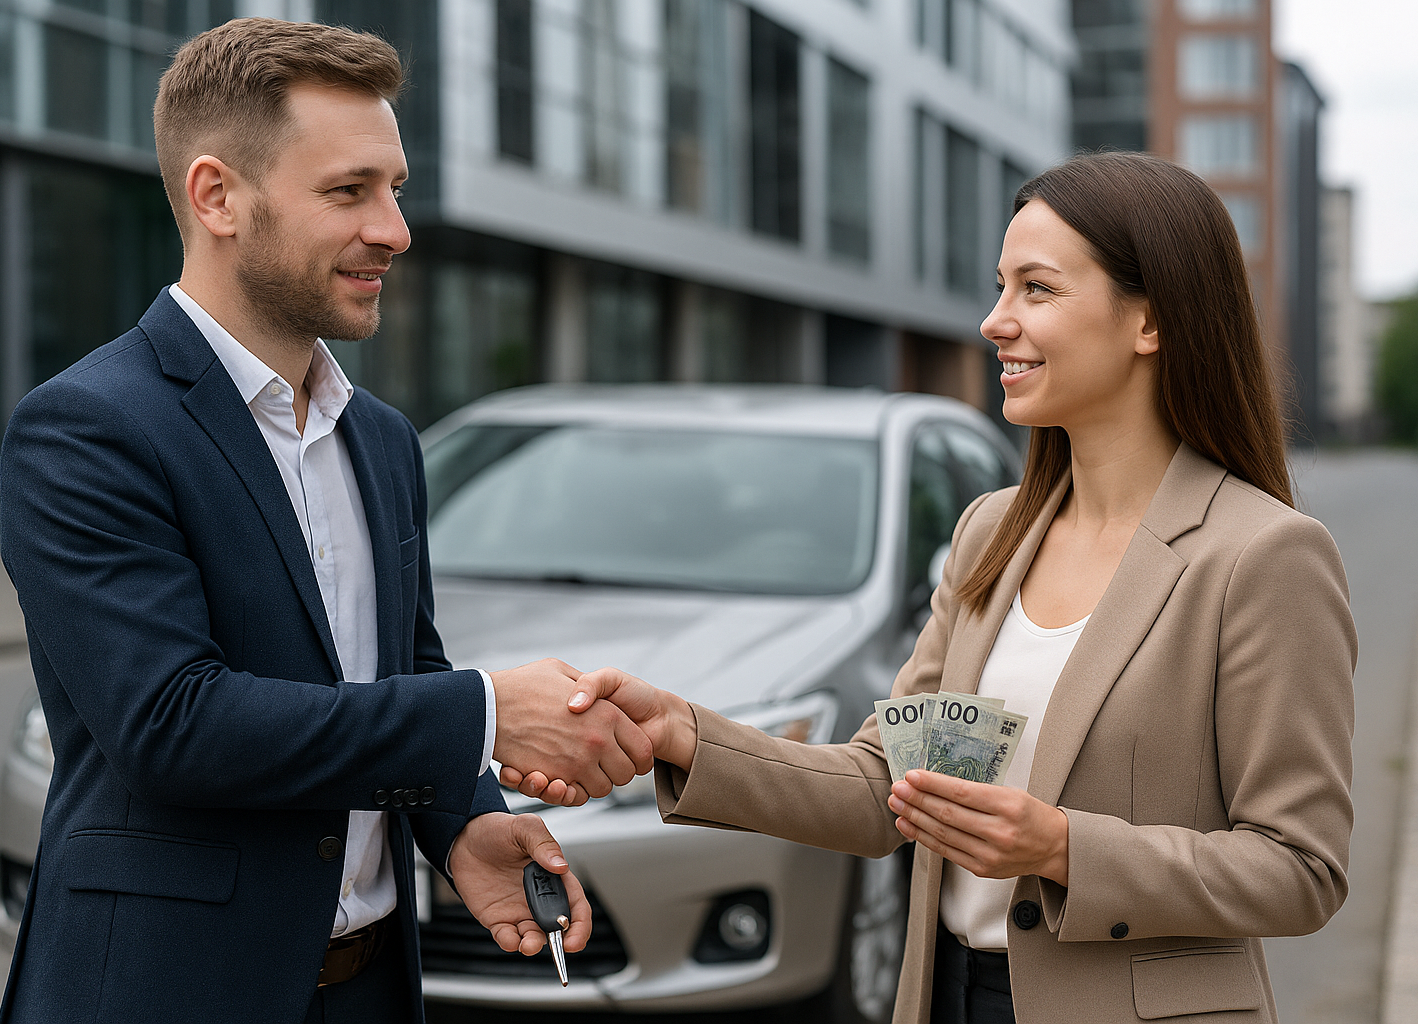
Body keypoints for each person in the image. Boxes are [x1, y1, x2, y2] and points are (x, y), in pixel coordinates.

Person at [506, 152, 1357, 1024]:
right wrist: (684, 733)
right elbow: (887, 784)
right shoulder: (994, 531)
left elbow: (1301, 867)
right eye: (1000, 287)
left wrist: (1064, 849)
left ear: (1150, 321)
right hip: (947, 994)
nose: (994, 321)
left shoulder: (1263, 557)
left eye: (1037, 289)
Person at [0, 18, 652, 1024]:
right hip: (164, 994)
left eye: (396, 189)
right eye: (350, 191)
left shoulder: (381, 438)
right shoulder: (86, 428)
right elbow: (173, 724)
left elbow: (402, 672)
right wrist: (485, 716)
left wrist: (461, 825)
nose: (394, 230)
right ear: (217, 196)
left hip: (372, 992)